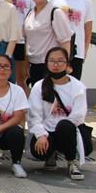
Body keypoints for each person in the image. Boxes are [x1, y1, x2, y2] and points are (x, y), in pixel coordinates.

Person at [27, 47, 89, 180]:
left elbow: (79, 115)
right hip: (47, 131)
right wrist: (40, 135)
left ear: (67, 64)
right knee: (38, 151)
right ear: (46, 63)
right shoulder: (39, 86)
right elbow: (33, 115)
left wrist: (63, 126)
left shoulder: (78, 87)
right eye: (52, 61)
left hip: (68, 131)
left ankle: (72, 161)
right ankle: (50, 155)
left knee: (65, 125)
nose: (56, 65)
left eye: (60, 61)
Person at [24, 0, 72, 85]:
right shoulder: (30, 13)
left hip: (51, 66)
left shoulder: (55, 12)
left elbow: (65, 40)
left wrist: (65, 64)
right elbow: (28, 40)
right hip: (34, 65)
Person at [49, 0, 94, 80]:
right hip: (55, 49)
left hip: (76, 51)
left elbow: (88, 29)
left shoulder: (85, 1)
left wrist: (84, 51)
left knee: (72, 84)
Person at [3, 0, 34, 95]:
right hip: (4, 38)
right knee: (4, 76)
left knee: (21, 78)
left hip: (22, 40)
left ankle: (24, 106)